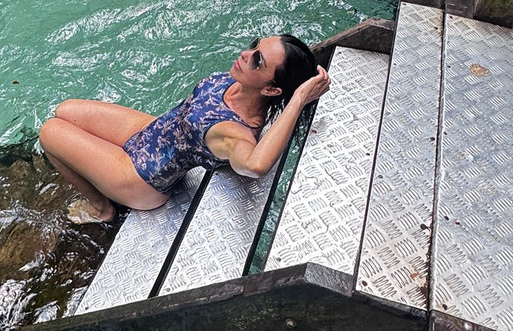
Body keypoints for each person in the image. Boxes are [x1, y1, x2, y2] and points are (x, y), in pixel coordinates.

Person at [39, 34, 330, 223]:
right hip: (153, 131)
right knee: (64, 111)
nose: (245, 53)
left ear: (270, 90)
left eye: (257, 60)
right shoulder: (240, 83)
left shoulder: (234, 133)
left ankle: (102, 209)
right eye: (255, 45)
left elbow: (255, 165)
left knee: (50, 132)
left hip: (142, 176)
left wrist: (300, 98)